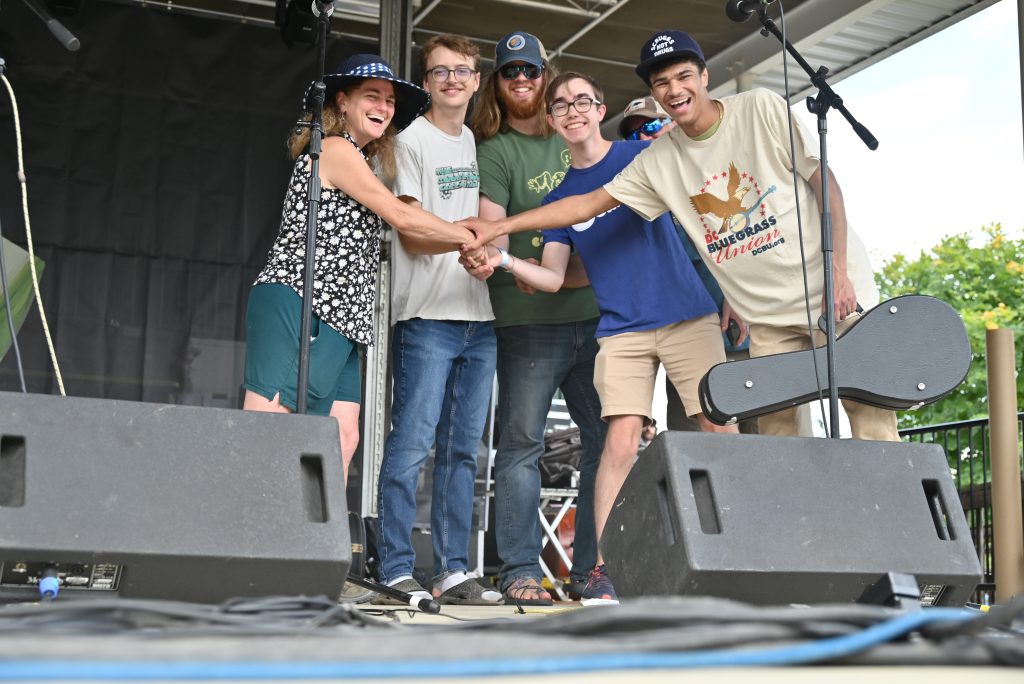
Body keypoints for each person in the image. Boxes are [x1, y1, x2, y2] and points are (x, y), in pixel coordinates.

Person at [461, 30, 900, 442]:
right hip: (768, 314)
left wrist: (838, 268)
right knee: (779, 434)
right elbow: (585, 205)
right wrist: (499, 229)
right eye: (662, 82)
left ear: (704, 76)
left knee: (869, 414)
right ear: (654, 93)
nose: (674, 89)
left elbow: (825, 182)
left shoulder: (759, 107)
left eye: (683, 76)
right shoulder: (659, 160)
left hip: (827, 286)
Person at [467, 71, 739, 604]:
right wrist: (503, 259)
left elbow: (708, 196)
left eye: (582, 101)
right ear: (552, 121)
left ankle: (738, 552)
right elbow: (553, 277)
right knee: (618, 442)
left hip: (686, 315)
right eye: (561, 105)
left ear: (599, 109)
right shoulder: (560, 199)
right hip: (621, 327)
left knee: (717, 428)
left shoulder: (642, 153)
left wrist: (734, 286)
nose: (572, 111)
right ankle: (603, 569)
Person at [243, 54, 476, 492]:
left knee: (342, 436)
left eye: (389, 100)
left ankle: (313, 530)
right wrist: (472, 237)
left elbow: (409, 227)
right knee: (271, 426)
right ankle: (251, 528)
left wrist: (462, 240)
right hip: (301, 298)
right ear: (342, 102)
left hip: (345, 317)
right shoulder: (334, 149)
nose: (383, 107)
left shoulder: (363, 162)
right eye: (372, 96)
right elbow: (401, 217)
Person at [470, 31, 607, 605]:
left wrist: (575, 276)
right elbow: (490, 230)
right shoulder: (496, 150)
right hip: (527, 319)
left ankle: (593, 572)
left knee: (608, 442)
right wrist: (504, 259)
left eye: (531, 69)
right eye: (510, 71)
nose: (522, 78)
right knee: (521, 445)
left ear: (545, 76)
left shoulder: (575, 135)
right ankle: (520, 570)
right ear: (498, 83)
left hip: (598, 318)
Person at [375, 35, 502, 606]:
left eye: (462, 71)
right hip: (427, 316)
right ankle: (394, 567)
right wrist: (469, 241)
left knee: (463, 453)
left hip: (479, 320)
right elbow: (412, 232)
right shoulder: (409, 141)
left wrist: (483, 247)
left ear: (476, 81)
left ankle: (452, 571)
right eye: (440, 71)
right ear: (425, 83)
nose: (452, 79)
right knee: (411, 447)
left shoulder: (474, 141)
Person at [616, 96, 756, 433]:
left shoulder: (711, 169)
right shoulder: (634, 195)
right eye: (635, 134)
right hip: (685, 344)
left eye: (653, 125)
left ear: (674, 123)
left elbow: (754, 239)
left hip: (737, 335)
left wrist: (735, 294)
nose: (645, 137)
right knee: (690, 445)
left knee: (766, 439)